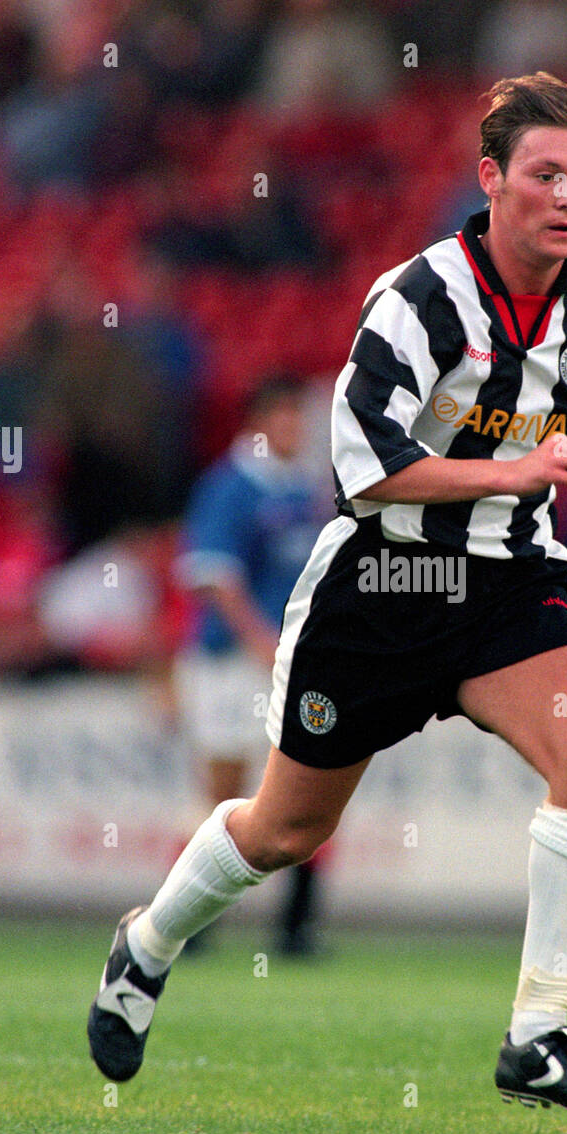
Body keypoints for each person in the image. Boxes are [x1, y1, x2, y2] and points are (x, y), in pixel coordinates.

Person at [88, 73, 567, 1120]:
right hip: (384, 583)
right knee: (285, 831)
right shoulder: (416, 300)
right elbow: (363, 470)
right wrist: (508, 470)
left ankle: (535, 1038)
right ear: (490, 179)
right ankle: (145, 944)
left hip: (508, 583)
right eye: (545, 175)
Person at [173, 376, 331, 957]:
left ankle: (297, 925)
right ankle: (192, 921)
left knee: (306, 779)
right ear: (260, 423)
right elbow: (214, 576)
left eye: (300, 419)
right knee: (225, 786)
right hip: (227, 661)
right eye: (286, 418)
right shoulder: (230, 484)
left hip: (289, 659)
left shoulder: (308, 488)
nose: (297, 430)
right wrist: (259, 639)